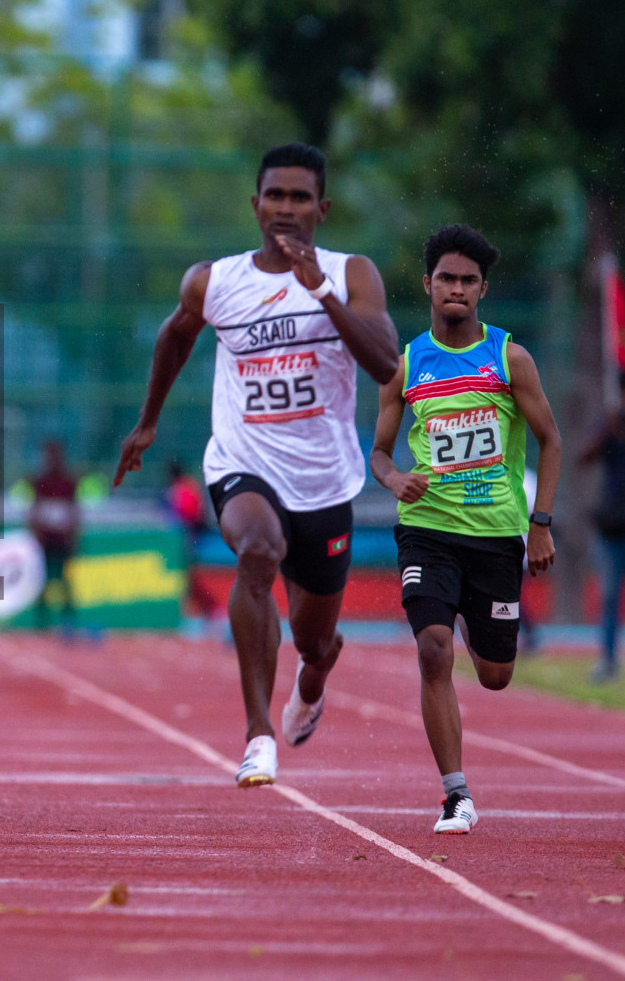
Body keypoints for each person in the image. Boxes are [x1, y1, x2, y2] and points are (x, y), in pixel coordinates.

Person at [115, 143, 399, 787]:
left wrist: (320, 292)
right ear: (255, 204)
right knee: (257, 550)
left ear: (321, 209)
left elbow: (384, 363)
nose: (286, 209)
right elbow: (175, 334)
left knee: (315, 638)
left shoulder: (351, 274)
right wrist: (148, 421)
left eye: (300, 198)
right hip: (243, 462)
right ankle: (257, 733)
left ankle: (315, 675)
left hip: (324, 479)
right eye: (275, 196)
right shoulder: (214, 281)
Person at [370, 224, 560, 834]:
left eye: (468, 281)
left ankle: (476, 622)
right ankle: (456, 794)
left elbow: (551, 441)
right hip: (426, 528)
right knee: (432, 649)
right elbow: (377, 451)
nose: (456, 289)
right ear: (428, 285)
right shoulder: (404, 363)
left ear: (482, 290)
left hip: (496, 533)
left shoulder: (510, 358)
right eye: (446, 279)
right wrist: (396, 479)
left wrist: (541, 524)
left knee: (496, 676)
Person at [580, 370, 625, 681]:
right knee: (611, 594)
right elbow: (585, 457)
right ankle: (608, 660)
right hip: (613, 523)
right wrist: (609, 429)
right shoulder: (611, 424)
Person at [29, 440, 79, 631]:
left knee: (65, 580)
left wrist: (74, 534)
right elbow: (34, 509)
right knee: (41, 580)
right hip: (44, 539)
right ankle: (42, 622)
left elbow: (74, 509)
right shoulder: (40, 481)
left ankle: (68, 621)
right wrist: (35, 534)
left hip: (62, 538)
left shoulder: (68, 481)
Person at [165, 461, 220, 622]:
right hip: (190, 533)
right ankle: (192, 607)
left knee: (186, 572)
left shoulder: (181, 489)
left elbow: (187, 513)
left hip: (188, 534)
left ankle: (191, 608)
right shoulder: (189, 485)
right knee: (186, 572)